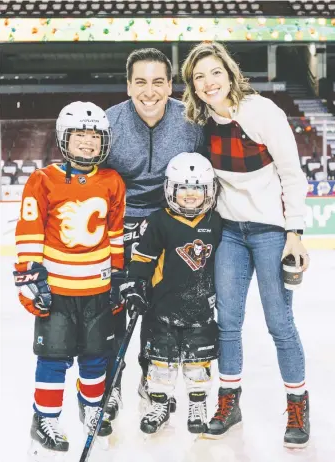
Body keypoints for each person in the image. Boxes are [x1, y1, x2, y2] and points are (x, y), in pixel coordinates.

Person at [181, 42, 311, 448]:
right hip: (230, 232)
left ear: (230, 73)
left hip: (271, 230)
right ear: (193, 86)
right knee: (229, 323)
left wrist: (295, 233)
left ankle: (297, 404)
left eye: (214, 72)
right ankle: (229, 401)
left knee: (279, 323)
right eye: (199, 77)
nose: (208, 82)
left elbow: (292, 173)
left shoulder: (261, 112)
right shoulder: (200, 119)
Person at [13, 102, 126, 458]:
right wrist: (30, 277)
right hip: (58, 290)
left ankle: (92, 408)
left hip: (98, 289)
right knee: (53, 356)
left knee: (96, 356)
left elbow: (116, 235)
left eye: (95, 136)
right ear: (64, 138)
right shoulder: (42, 179)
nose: (88, 143)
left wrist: (120, 277)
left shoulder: (112, 181)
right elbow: (30, 230)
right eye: (80, 135)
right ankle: (44, 418)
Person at [104, 48, 204, 420]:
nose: (150, 91)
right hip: (118, 228)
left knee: (158, 315)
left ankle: (153, 385)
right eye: (141, 82)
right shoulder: (109, 123)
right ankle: (111, 386)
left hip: (168, 228)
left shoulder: (190, 121)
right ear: (128, 85)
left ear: (170, 85)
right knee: (113, 312)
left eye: (158, 82)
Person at [121, 152, 222, 434]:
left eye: (197, 189)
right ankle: (159, 404)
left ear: (209, 191)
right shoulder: (158, 222)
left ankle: (198, 404)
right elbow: (143, 258)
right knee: (160, 364)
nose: (190, 195)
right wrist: (136, 286)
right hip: (161, 307)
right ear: (170, 190)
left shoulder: (216, 223)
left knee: (197, 365)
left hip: (201, 308)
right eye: (183, 188)